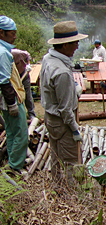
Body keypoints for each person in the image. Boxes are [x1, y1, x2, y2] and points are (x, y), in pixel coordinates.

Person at [40, 21, 88, 185]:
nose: (77, 45)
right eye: (75, 42)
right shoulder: (61, 72)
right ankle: (70, 196)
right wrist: (74, 129)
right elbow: (66, 110)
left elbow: (50, 88)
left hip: (51, 118)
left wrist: (72, 88)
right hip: (62, 122)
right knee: (70, 161)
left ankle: (57, 186)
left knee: (56, 154)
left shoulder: (48, 58)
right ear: (65, 45)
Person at [0, 16, 28, 173]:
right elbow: (4, 82)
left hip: (5, 99)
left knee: (11, 132)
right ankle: (15, 167)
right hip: (11, 98)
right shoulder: (3, 53)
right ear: (1, 33)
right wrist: (12, 105)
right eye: (12, 33)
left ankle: (12, 161)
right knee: (20, 133)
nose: (15, 36)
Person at [11, 49, 36, 119]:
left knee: (27, 94)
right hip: (13, 78)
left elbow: (27, 55)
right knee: (16, 96)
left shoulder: (16, 53)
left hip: (23, 74)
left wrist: (28, 64)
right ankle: (19, 115)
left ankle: (31, 114)